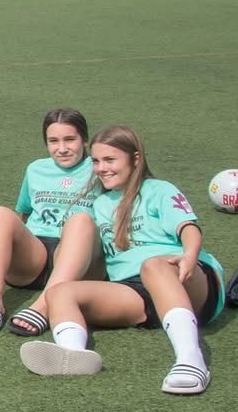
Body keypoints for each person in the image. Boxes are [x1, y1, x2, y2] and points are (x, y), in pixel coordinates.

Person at [20, 126, 227, 395]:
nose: (101, 168)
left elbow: (188, 227)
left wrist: (189, 256)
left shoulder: (159, 189)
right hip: (134, 290)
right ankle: (73, 354)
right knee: (60, 292)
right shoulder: (100, 205)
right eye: (95, 161)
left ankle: (191, 361)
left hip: (186, 278)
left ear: (136, 159)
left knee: (153, 265)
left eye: (110, 160)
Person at [0, 108, 100, 334]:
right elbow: (24, 214)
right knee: (0, 213)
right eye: (53, 141)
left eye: (70, 139)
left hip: (80, 256)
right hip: (35, 256)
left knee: (81, 220)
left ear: (85, 139)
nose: (61, 148)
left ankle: (42, 307)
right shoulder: (36, 169)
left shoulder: (99, 168)